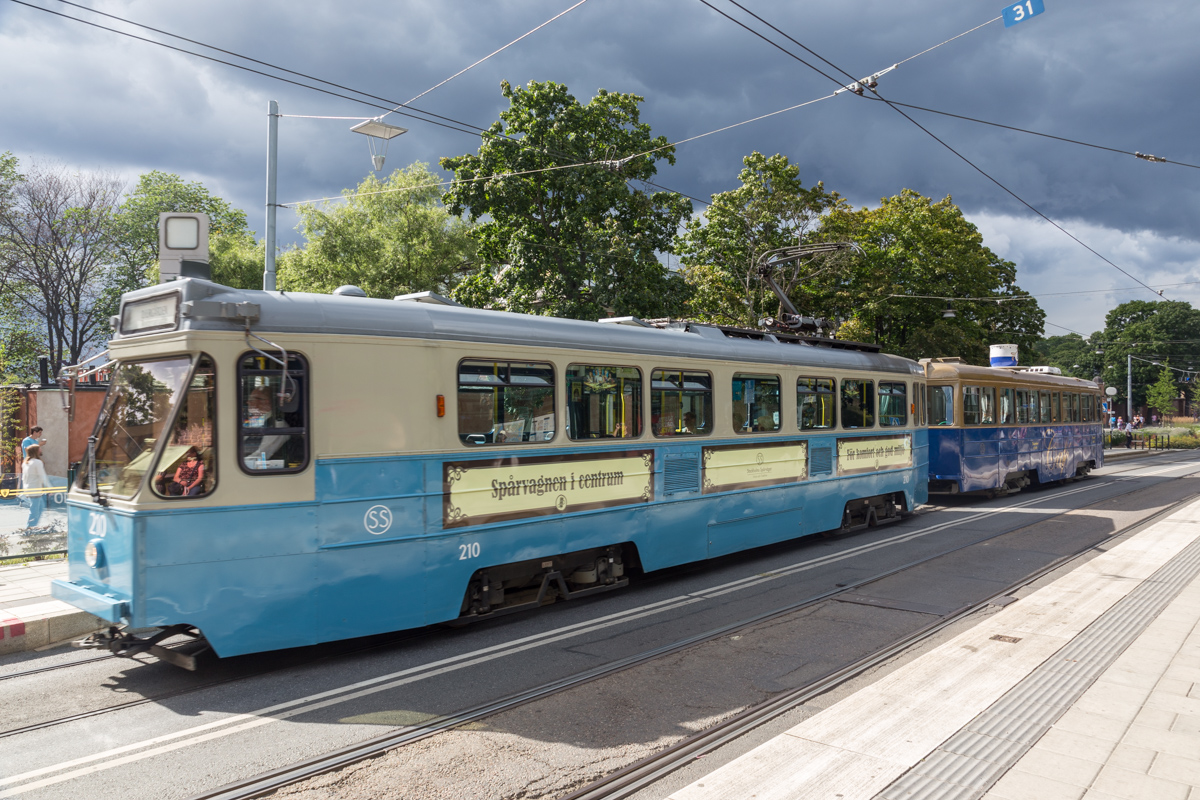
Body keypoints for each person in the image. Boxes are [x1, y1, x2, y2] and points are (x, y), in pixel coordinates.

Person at [21, 444, 49, 528]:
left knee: (39, 507)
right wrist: (50, 487)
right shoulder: (37, 462)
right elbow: (42, 476)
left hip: (29, 489)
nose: (41, 450)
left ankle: (32, 526)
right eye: (39, 449)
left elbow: (24, 478)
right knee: (35, 510)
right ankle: (30, 528)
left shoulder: (26, 463)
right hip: (35, 490)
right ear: (36, 451)